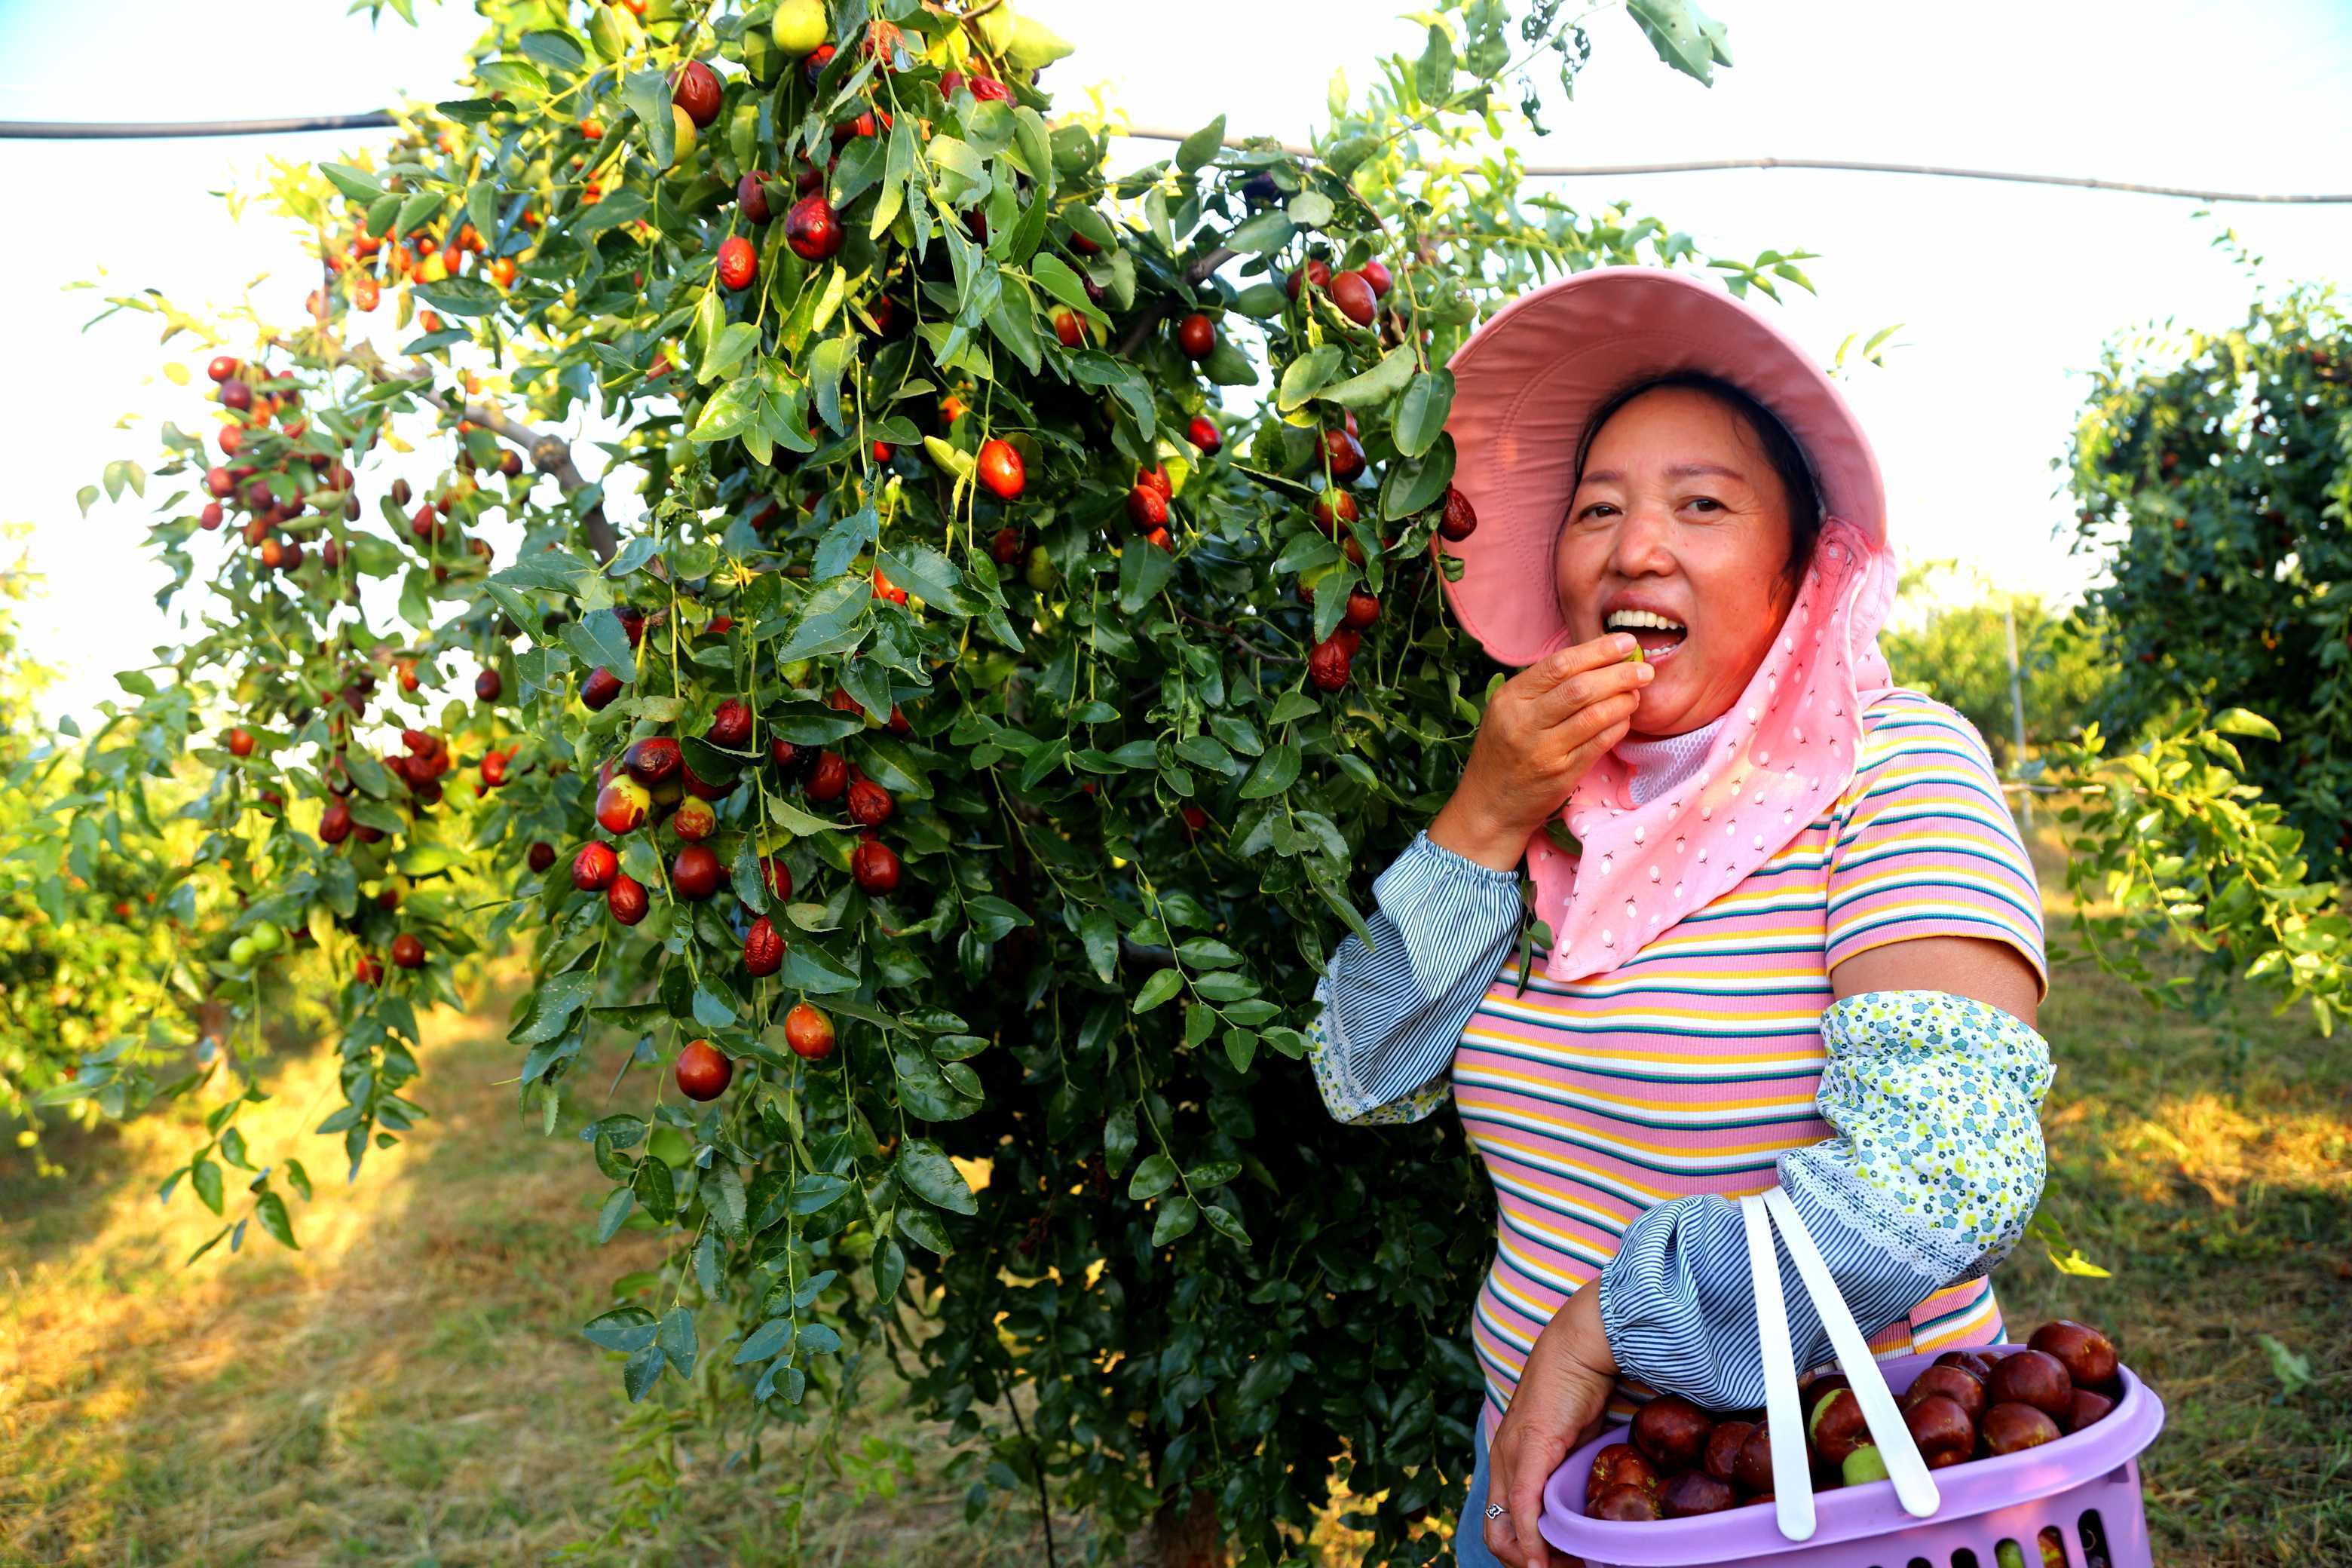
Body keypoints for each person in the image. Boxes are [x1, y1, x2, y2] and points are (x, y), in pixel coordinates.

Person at [1304, 268, 2052, 1567]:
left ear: (1801, 572)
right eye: (1598, 510)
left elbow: (1944, 1174)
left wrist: (1602, 1330)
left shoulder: (1892, 768)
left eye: (1701, 505)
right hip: (1554, 1485)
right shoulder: (1546, 813)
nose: (1634, 548)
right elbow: (1362, 1074)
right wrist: (1478, 820)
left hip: (1835, 1486)